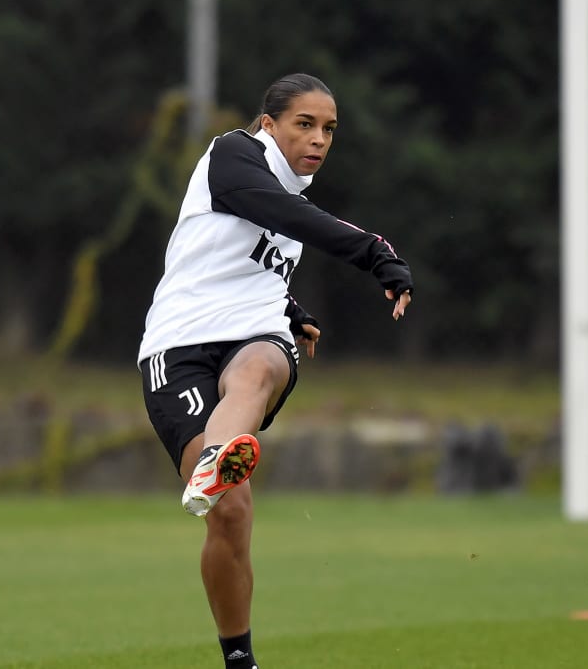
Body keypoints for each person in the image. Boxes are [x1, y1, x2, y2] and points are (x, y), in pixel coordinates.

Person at [137, 73, 414, 669]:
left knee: (262, 362)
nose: (319, 140)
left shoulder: (293, 202)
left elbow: (256, 265)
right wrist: (375, 253)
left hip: (254, 338)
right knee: (230, 513)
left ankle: (218, 457)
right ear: (269, 124)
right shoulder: (232, 154)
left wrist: (293, 312)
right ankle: (235, 650)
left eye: (329, 130)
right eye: (305, 124)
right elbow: (264, 216)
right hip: (177, 346)